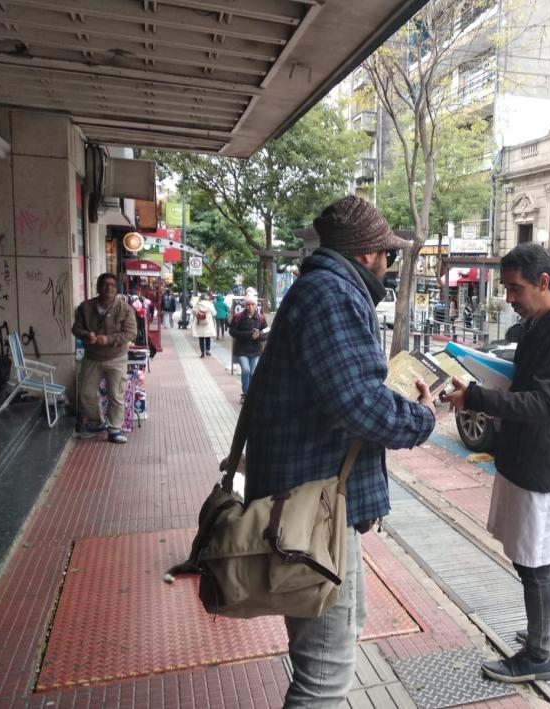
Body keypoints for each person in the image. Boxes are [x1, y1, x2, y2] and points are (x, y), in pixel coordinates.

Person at [221, 195, 436, 708]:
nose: (390, 264)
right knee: (324, 678)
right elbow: (358, 404)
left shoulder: (321, 288)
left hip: (317, 502)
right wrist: (421, 417)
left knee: (337, 644)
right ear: (366, 254)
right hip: (314, 511)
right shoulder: (333, 295)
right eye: (388, 254)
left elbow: (344, 390)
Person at [442, 243, 550, 684]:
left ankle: (538, 655)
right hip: (533, 456)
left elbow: (544, 402)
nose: (508, 297)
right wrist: (480, 379)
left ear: (544, 282)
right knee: (541, 550)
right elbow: (525, 384)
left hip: (543, 461)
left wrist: (476, 397)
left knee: (533, 560)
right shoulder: (540, 324)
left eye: (514, 288)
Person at [71, 272, 138, 444]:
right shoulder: (85, 307)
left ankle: (114, 429)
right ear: (98, 287)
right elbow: (76, 329)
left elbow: (131, 333)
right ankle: (96, 424)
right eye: (105, 284)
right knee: (86, 392)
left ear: (116, 289)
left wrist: (108, 339)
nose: (108, 288)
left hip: (116, 357)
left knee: (115, 394)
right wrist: (87, 335)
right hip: (92, 357)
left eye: (112, 285)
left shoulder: (124, 308)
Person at [228, 294, 267, 404]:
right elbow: (232, 332)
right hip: (241, 349)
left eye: (252, 304)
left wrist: (259, 336)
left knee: (252, 372)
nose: (250, 307)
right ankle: (245, 394)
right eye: (248, 304)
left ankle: (251, 394)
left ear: (256, 305)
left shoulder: (261, 318)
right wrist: (250, 335)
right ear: (245, 305)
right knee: (246, 370)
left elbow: (267, 333)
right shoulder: (238, 317)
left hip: (255, 350)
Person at [191, 293, 217, 357]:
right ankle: (208, 350)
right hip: (208, 322)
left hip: (199, 322)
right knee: (208, 336)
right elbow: (214, 313)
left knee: (201, 338)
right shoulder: (210, 304)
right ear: (206, 298)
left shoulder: (197, 304)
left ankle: (202, 352)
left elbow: (193, 312)